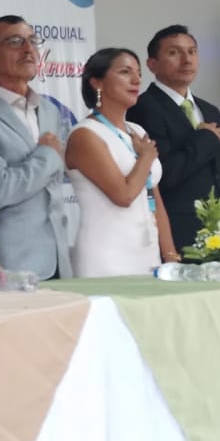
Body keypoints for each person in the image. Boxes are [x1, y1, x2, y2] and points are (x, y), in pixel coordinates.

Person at [0, 15, 71, 280]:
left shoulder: (49, 110)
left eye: (33, 41)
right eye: (15, 42)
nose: (28, 50)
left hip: (59, 260)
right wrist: (47, 155)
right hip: (10, 263)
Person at [65, 48, 178, 277]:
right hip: (107, 256)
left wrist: (170, 256)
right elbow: (123, 196)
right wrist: (145, 158)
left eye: (138, 73)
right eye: (125, 72)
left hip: (148, 253)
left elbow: (154, 197)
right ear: (97, 82)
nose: (136, 80)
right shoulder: (85, 135)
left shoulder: (137, 131)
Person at [127, 24, 220, 250]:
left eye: (192, 52)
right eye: (174, 52)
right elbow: (164, 174)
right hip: (178, 231)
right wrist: (205, 139)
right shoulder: (143, 107)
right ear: (152, 64)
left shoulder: (210, 110)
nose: (187, 60)